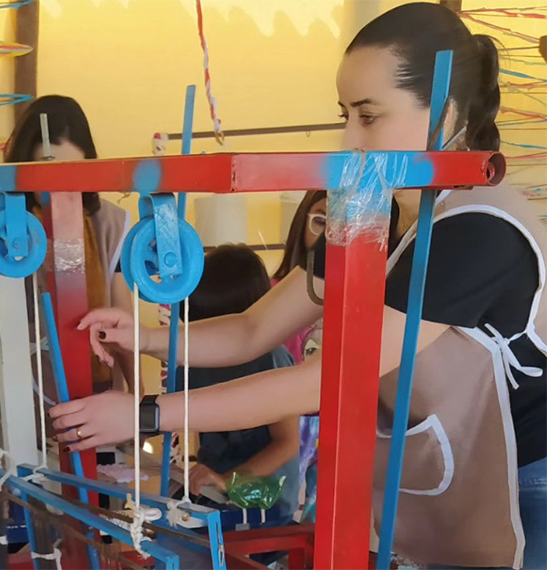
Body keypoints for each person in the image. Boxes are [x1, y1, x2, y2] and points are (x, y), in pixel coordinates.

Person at [53, 3, 547, 568]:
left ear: (444, 113)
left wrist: (146, 414)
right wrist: (143, 339)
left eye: (368, 116)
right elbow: (253, 328)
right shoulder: (375, 212)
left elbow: (328, 382)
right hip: (447, 472)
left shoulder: (478, 228)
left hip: (528, 480)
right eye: (345, 115)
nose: (349, 138)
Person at [0, 95, 133, 436]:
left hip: (95, 393)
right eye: (47, 169)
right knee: (28, 468)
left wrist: (137, 391)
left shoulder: (111, 223)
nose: (61, 188)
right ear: (22, 164)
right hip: (16, 391)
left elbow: (122, 317)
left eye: (73, 172)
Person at [174, 244, 300, 521]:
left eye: (210, 324)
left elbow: (287, 443)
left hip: (267, 500)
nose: (202, 334)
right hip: (212, 489)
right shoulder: (194, 357)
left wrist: (228, 480)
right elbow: (174, 416)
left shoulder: (272, 359)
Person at [271, 191, 327, 522]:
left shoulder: (368, 300)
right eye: (320, 220)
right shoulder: (273, 293)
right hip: (284, 421)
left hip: (338, 425)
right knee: (281, 512)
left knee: (324, 517)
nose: (330, 235)